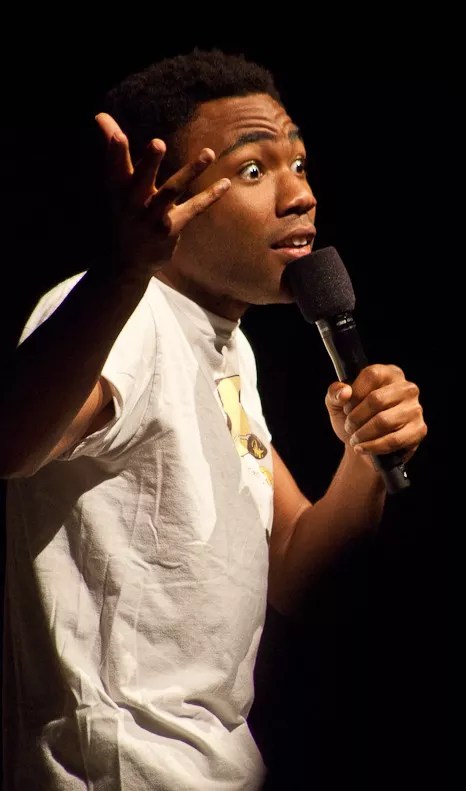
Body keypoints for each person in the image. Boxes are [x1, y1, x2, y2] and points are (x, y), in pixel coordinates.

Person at [0, 48, 427, 790]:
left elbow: (296, 569)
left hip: (214, 764)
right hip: (127, 768)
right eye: (255, 170)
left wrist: (365, 454)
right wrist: (121, 272)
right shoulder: (123, 315)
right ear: (166, 196)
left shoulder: (226, 347)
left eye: (299, 163)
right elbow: (11, 442)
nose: (300, 194)